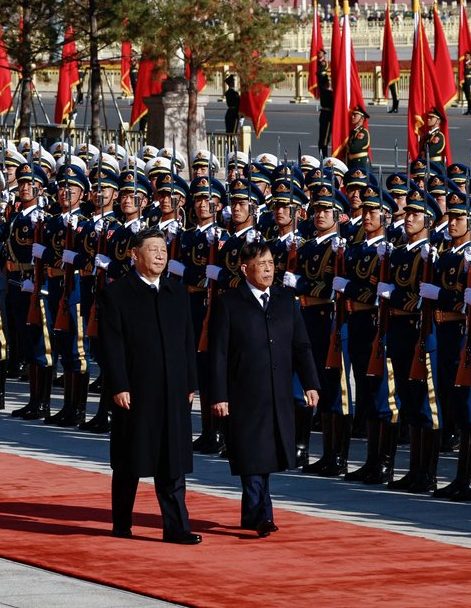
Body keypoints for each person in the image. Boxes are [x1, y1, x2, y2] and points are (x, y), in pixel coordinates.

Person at [208, 241, 320, 536]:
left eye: (271, 263)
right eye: (262, 264)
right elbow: (217, 352)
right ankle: (262, 515)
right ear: (245, 269)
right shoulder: (229, 302)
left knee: (267, 453)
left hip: (278, 391)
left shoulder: (286, 299)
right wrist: (218, 394)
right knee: (250, 452)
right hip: (244, 391)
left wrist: (310, 383)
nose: (269, 269)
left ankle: (252, 512)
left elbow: (301, 346)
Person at [99, 227, 201, 544]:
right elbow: (110, 345)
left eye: (163, 250)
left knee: (172, 462)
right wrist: (118, 384)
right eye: (153, 249)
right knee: (131, 458)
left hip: (172, 391)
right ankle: (121, 522)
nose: (160, 255)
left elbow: (188, 343)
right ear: (135, 254)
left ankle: (176, 528)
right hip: (136, 390)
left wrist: (190, 383)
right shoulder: (117, 293)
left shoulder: (177, 293)